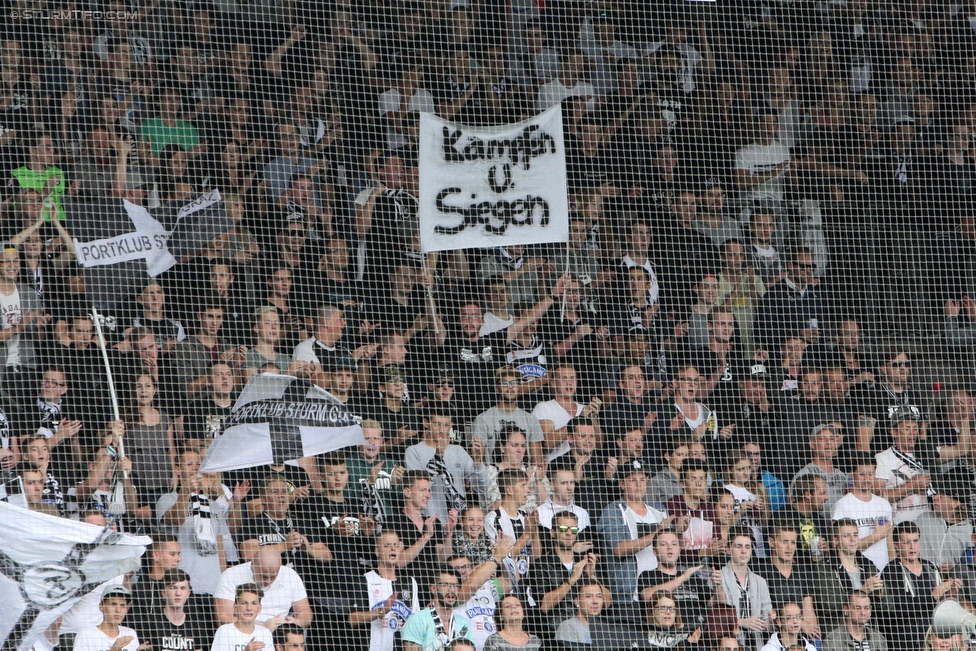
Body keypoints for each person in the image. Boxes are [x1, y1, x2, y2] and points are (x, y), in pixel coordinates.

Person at [597, 459, 669, 606]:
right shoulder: (613, 510)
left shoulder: (659, 510)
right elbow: (619, 549)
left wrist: (679, 530)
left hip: (661, 594)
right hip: (629, 594)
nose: (638, 484)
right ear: (622, 483)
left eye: (642, 479)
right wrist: (658, 534)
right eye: (632, 480)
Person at [878, 522, 959, 650]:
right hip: (905, 640)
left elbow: (940, 606)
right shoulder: (891, 570)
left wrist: (950, 594)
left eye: (915, 541)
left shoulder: (931, 567)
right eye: (906, 542)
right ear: (896, 545)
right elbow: (899, 607)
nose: (912, 547)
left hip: (932, 640)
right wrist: (932, 596)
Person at [404, 405, 489, 524]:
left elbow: (482, 487)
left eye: (446, 425)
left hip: (460, 525)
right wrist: (438, 456)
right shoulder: (413, 451)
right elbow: (418, 489)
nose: (441, 430)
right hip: (430, 523)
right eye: (436, 424)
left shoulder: (458, 450)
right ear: (426, 423)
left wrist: (478, 462)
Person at [524, 510, 601, 635]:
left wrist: (591, 575)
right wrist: (571, 580)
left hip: (589, 632)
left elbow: (607, 602)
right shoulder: (540, 564)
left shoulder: (585, 561)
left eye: (574, 530)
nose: (569, 533)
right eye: (564, 529)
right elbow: (544, 605)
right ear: (553, 532)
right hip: (555, 633)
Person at [348, 530, 421, 651]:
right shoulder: (365, 580)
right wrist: (381, 612)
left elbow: (414, 621)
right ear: (377, 551)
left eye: (396, 545)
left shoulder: (410, 582)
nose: (393, 548)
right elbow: (352, 619)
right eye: (387, 545)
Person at [813, 519, 887, 633]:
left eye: (855, 535)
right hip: (838, 632)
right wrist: (862, 591)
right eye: (847, 536)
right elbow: (827, 603)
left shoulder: (867, 565)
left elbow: (890, 605)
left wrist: (881, 595)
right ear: (836, 540)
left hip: (869, 631)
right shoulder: (825, 567)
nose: (853, 540)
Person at [213, 547, 313, 631]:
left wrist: (294, 622)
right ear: (253, 565)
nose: (268, 581)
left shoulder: (290, 575)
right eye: (263, 576)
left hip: (280, 636)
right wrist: (263, 628)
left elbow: (305, 613)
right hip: (242, 635)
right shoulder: (231, 575)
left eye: (274, 576)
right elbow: (223, 619)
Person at [752, 522, 818, 639]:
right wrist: (801, 623)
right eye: (784, 542)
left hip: (800, 635)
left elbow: (808, 610)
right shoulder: (759, 571)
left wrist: (812, 632)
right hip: (770, 636)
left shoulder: (802, 571)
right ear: (771, 542)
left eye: (793, 542)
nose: (790, 547)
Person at [637, 529, 716, 627]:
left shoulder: (691, 577)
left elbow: (713, 603)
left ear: (679, 549)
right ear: (655, 551)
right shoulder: (647, 576)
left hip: (696, 635)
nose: (669, 548)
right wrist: (682, 578)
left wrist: (718, 585)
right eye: (663, 544)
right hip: (666, 635)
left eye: (674, 544)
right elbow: (647, 596)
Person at [831, 453, 893, 571]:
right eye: (862, 474)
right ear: (852, 474)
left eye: (870, 474)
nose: (867, 479)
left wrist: (894, 570)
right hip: (857, 572)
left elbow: (889, 542)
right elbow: (837, 546)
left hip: (885, 573)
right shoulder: (842, 506)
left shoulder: (884, 504)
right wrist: (875, 537)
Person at [473, 366, 545, 466]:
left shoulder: (531, 420)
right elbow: (477, 460)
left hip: (524, 477)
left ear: (519, 387)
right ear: (497, 388)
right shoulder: (483, 419)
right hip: (493, 478)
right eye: (505, 383)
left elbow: (537, 462)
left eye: (514, 382)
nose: (510, 386)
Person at [717, 527, 773, 651]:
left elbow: (767, 623)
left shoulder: (760, 582)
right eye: (739, 546)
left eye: (747, 547)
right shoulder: (718, 577)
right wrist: (741, 622)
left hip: (756, 646)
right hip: (728, 645)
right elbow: (714, 618)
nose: (744, 551)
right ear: (728, 548)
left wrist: (774, 623)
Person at [133, 569, 209, 651]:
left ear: (188, 593)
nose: (178, 593)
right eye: (173, 588)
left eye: (183, 588)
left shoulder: (196, 624)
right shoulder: (149, 623)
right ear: (163, 593)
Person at [400, 569, 475, 651]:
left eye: (456, 586)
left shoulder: (464, 624)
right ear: (433, 589)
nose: (452, 590)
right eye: (446, 585)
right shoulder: (417, 620)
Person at [73, 587, 146, 651]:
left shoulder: (130, 633)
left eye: (122, 605)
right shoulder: (86, 634)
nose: (118, 610)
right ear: (101, 607)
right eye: (113, 604)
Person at [210, 584, 274, 651]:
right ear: (235, 607)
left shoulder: (265, 633)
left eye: (254, 603)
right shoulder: (224, 631)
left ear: (259, 608)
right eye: (244, 603)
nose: (249, 608)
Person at [822, 590, 889, 651]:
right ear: (846, 609)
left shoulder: (878, 638)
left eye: (866, 608)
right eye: (857, 608)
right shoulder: (833, 640)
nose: (863, 613)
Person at [554, 580, 608, 647]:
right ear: (577, 601)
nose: (595, 601)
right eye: (588, 596)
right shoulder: (568, 627)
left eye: (599, 596)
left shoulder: (606, 629)